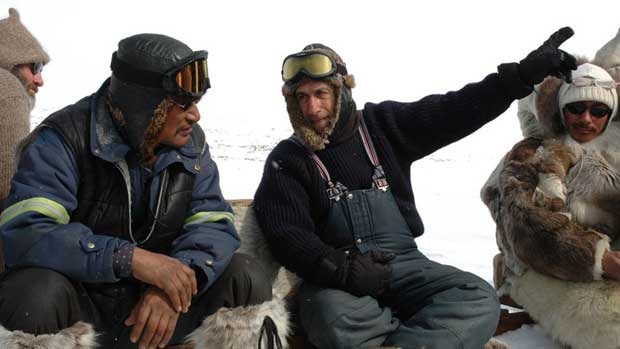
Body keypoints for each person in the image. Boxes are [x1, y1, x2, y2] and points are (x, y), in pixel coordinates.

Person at [253, 27, 577, 348]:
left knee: (478, 299)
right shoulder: (289, 159)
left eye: (321, 93)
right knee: (328, 315)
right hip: (339, 279)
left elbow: (455, 110)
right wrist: (341, 269)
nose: (312, 108)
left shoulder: (383, 125)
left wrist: (517, 78)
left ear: (341, 91)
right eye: (302, 97)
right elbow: (287, 235)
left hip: (405, 265)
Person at [0, 33, 274, 349]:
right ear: (145, 106)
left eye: (196, 103)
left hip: (159, 313)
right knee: (34, 291)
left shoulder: (191, 144)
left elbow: (213, 225)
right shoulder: (63, 139)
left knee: (245, 275)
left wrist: (174, 286)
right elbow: (29, 231)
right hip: (85, 316)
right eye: (183, 104)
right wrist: (129, 259)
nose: (195, 115)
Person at [481, 49, 620, 348]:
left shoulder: (614, 153)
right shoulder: (534, 153)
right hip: (538, 269)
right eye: (576, 108)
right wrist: (601, 260)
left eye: (598, 111)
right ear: (561, 109)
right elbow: (528, 230)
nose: (586, 119)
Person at [0, 8, 48, 206]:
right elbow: (7, 184)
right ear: (10, 60)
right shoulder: (8, 89)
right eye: (35, 67)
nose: (40, 80)